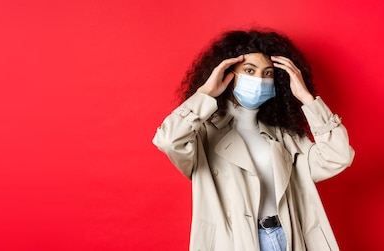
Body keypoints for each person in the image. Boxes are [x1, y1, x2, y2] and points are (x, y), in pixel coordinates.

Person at [152, 29, 355, 251]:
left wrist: (307, 99)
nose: (259, 79)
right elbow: (168, 140)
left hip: (287, 237)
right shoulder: (202, 133)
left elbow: (338, 157)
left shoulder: (285, 135)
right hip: (234, 243)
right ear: (227, 75)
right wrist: (205, 93)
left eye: (268, 73)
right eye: (250, 70)